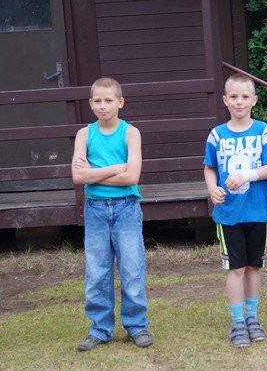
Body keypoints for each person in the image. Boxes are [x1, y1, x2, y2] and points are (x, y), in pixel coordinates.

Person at [71, 77, 151, 351]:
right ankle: (100, 328)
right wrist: (116, 168)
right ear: (90, 103)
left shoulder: (131, 133)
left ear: (120, 102)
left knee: (132, 269)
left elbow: (132, 177)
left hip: (126, 208)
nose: (103, 106)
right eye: (97, 101)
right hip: (95, 210)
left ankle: (137, 325)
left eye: (108, 100)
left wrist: (93, 174)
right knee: (96, 271)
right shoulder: (84, 134)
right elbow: (78, 177)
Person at [203, 74, 267, 348]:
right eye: (234, 97)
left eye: (245, 97)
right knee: (235, 268)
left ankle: (252, 317)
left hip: (258, 211)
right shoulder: (217, 134)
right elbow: (210, 167)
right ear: (225, 100)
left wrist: (246, 175)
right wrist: (212, 189)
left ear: (254, 100)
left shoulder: (263, 131)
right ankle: (237, 322)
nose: (239, 102)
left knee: (253, 266)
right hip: (229, 214)